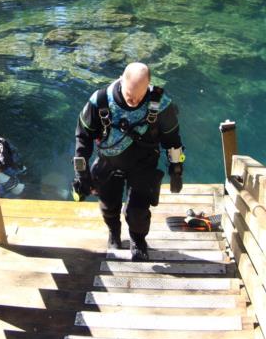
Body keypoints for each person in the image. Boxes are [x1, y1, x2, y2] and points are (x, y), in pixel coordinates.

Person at [72, 62, 184, 261]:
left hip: (144, 163)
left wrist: (176, 169)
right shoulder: (99, 101)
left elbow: (173, 140)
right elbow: (82, 138)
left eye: (140, 97)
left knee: (138, 213)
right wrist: (82, 174)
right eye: (129, 95)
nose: (134, 101)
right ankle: (114, 233)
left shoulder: (161, 103)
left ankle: (138, 240)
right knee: (108, 206)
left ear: (149, 85)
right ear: (121, 80)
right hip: (109, 163)